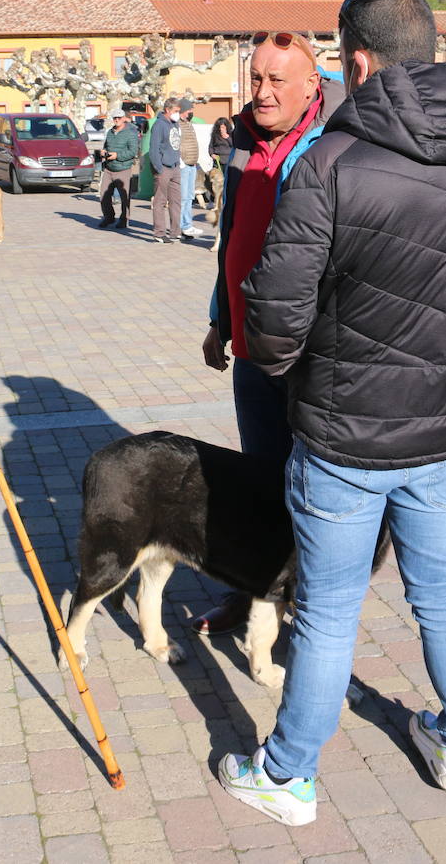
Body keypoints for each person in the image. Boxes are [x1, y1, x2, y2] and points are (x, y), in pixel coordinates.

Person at [217, 0, 446, 827]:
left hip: (343, 436)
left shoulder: (332, 163)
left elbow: (275, 317)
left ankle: (289, 775)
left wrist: (304, 373)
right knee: (444, 594)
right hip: (443, 428)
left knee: (329, 613)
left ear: (356, 62)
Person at [192, 33, 345, 639]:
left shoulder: (331, 147)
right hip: (253, 345)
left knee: (308, 485)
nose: (262, 91)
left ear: (313, 84)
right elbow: (233, 241)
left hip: (307, 353)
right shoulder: (243, 143)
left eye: (277, 79)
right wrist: (219, 320)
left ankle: (307, 609)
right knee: (260, 479)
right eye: (256, 78)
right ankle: (251, 592)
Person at [99, 108, 139, 229]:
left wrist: (118, 156)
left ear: (124, 119)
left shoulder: (130, 133)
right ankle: (109, 217)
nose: (116, 120)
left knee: (124, 197)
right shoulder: (110, 132)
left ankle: (124, 219)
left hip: (123, 169)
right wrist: (103, 151)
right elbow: (106, 145)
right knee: (103, 195)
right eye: (114, 118)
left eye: (119, 118)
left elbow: (133, 151)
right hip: (109, 168)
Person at [149, 98, 182, 243]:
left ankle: (175, 232)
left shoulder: (174, 124)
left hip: (175, 167)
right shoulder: (159, 125)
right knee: (160, 201)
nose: (178, 114)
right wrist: (159, 168)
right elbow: (153, 149)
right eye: (176, 111)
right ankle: (159, 233)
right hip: (163, 168)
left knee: (176, 201)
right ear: (168, 110)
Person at [178, 98, 203, 239]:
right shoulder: (178, 125)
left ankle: (187, 224)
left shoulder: (188, 124)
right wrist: (181, 162)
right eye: (189, 110)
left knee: (189, 197)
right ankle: (183, 225)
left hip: (191, 165)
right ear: (183, 111)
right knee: (183, 198)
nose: (191, 113)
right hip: (183, 166)